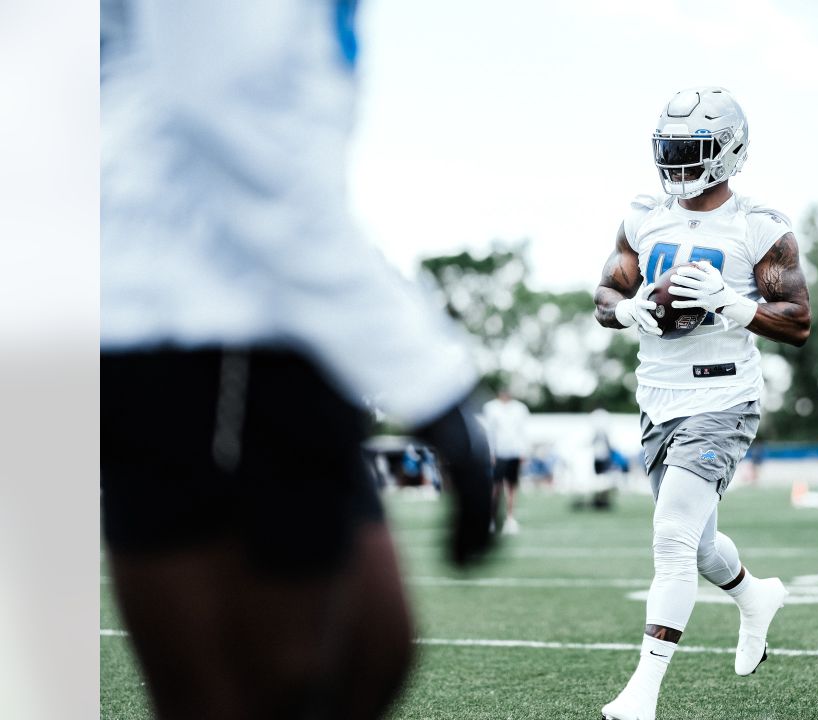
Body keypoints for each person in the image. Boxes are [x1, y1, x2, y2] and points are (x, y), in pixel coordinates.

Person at [100, 3, 493, 718]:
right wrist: (430, 383)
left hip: (285, 326)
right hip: (192, 327)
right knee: (256, 691)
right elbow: (243, 136)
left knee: (369, 654)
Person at [593, 86, 812, 720]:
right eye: (670, 149)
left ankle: (642, 695)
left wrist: (732, 303)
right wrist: (629, 310)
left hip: (722, 396)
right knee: (699, 544)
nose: (678, 165)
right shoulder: (642, 213)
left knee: (670, 539)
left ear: (728, 152)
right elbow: (605, 295)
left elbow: (798, 322)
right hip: (658, 398)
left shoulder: (760, 227)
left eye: (693, 151)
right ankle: (755, 598)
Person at [482, 388, 531, 534]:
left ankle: (510, 518)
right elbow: (489, 431)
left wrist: (523, 451)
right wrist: (491, 452)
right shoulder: (491, 408)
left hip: (514, 452)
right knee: (494, 487)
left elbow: (523, 431)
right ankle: (491, 518)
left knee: (511, 486)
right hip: (498, 452)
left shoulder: (520, 408)